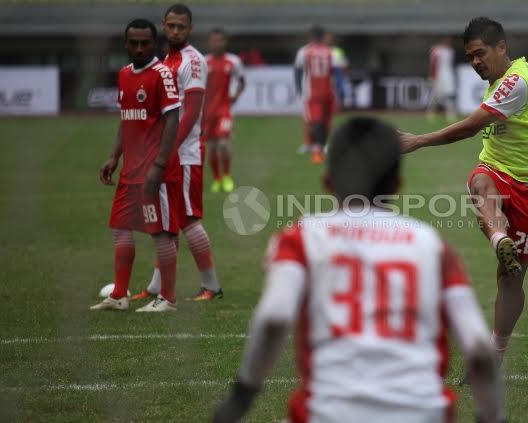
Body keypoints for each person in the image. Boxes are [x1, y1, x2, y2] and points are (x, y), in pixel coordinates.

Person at [213, 117, 505, 423]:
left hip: (329, 411)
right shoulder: (433, 245)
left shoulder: (300, 238)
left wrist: (241, 397)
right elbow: (480, 349)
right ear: (396, 187)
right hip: (422, 413)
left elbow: (274, 317)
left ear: (328, 183)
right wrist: (494, 417)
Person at [400, 17, 528, 363]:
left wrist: (417, 140)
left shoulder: (516, 81)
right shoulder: (511, 81)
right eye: (470, 57)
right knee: (478, 180)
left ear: (501, 47)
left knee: (509, 279)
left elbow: (471, 128)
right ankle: (498, 238)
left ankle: (496, 351)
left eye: (480, 53)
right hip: (498, 170)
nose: (475, 62)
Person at [131, 3, 224, 302]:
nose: (174, 31)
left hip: (184, 153)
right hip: (164, 152)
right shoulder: (165, 61)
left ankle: (211, 286)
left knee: (187, 219)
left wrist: (166, 149)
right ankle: (157, 287)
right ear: (163, 25)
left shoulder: (192, 61)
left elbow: (192, 112)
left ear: (190, 28)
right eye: (170, 25)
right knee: (167, 221)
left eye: (180, 26)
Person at [91, 19, 181, 312]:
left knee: (161, 233)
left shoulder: (162, 75)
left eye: (145, 43)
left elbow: (172, 119)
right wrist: (113, 157)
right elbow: (126, 118)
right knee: (120, 229)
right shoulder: (124, 74)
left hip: (154, 173)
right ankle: (119, 295)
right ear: (126, 44)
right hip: (129, 171)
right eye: (134, 43)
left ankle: (166, 298)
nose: (139, 48)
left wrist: (158, 165)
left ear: (154, 44)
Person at [294, 25, 346, 164]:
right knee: (325, 121)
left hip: (312, 93)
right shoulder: (332, 52)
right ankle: (323, 147)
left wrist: (299, 88)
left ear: (311, 37)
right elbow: (338, 75)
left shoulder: (304, 52)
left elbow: (298, 71)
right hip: (328, 92)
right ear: (323, 37)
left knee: (315, 122)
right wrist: (341, 93)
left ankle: (317, 151)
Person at [204, 28, 245, 194]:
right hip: (207, 112)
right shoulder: (203, 62)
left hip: (224, 110)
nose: (217, 43)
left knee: (223, 144)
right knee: (212, 148)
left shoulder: (233, 61)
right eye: (214, 40)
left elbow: (242, 81)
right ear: (210, 42)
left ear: (225, 42)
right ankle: (216, 178)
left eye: (220, 40)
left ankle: (227, 176)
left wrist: (236, 94)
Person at [427, 37, 458, 122]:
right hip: (439, 75)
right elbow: (432, 64)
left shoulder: (451, 51)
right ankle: (431, 113)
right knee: (436, 95)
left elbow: (451, 64)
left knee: (450, 94)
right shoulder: (436, 50)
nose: (448, 41)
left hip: (448, 74)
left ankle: (450, 114)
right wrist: (432, 76)